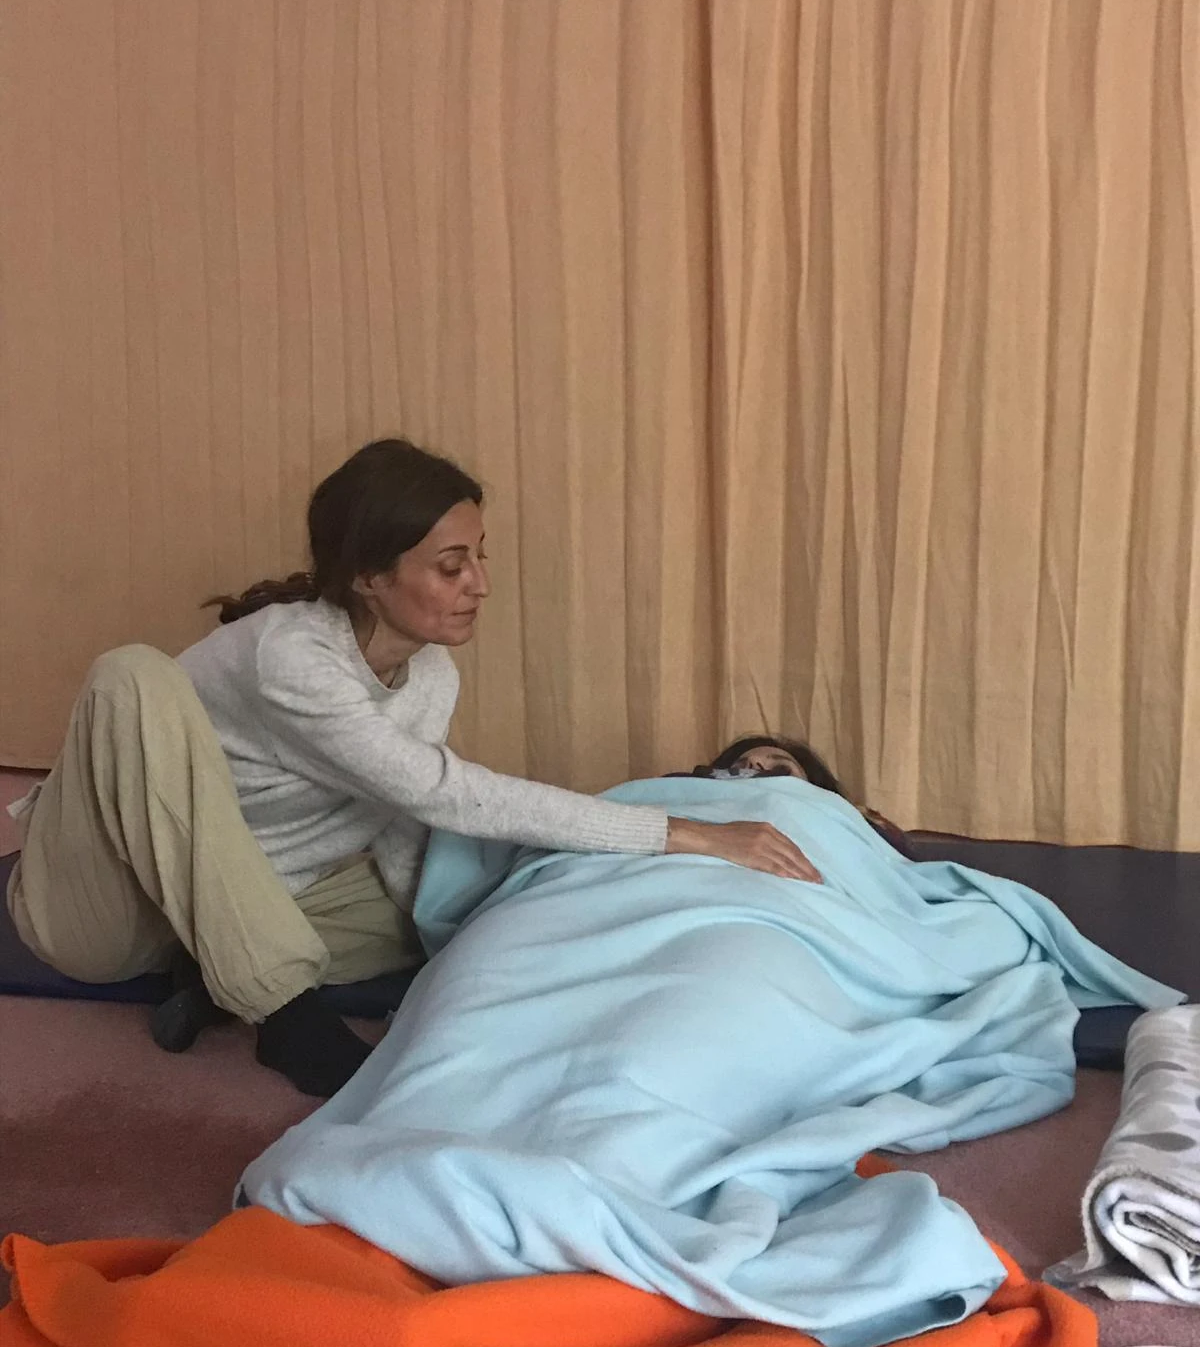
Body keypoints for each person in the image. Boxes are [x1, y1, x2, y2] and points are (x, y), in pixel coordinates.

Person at [5, 439, 819, 1098]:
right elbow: (444, 791)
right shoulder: (292, 655)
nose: (480, 585)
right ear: (370, 576)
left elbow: (403, 817)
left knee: (462, 903)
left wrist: (447, 936)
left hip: (240, 898)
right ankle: (285, 1016)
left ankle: (215, 971)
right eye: (451, 565)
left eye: (480, 558)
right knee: (132, 674)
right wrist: (683, 833)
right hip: (107, 908)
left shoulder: (431, 676)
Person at [687, 734, 914, 856]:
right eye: (740, 768)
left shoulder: (843, 824)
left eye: (781, 770)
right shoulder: (679, 801)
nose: (755, 766)